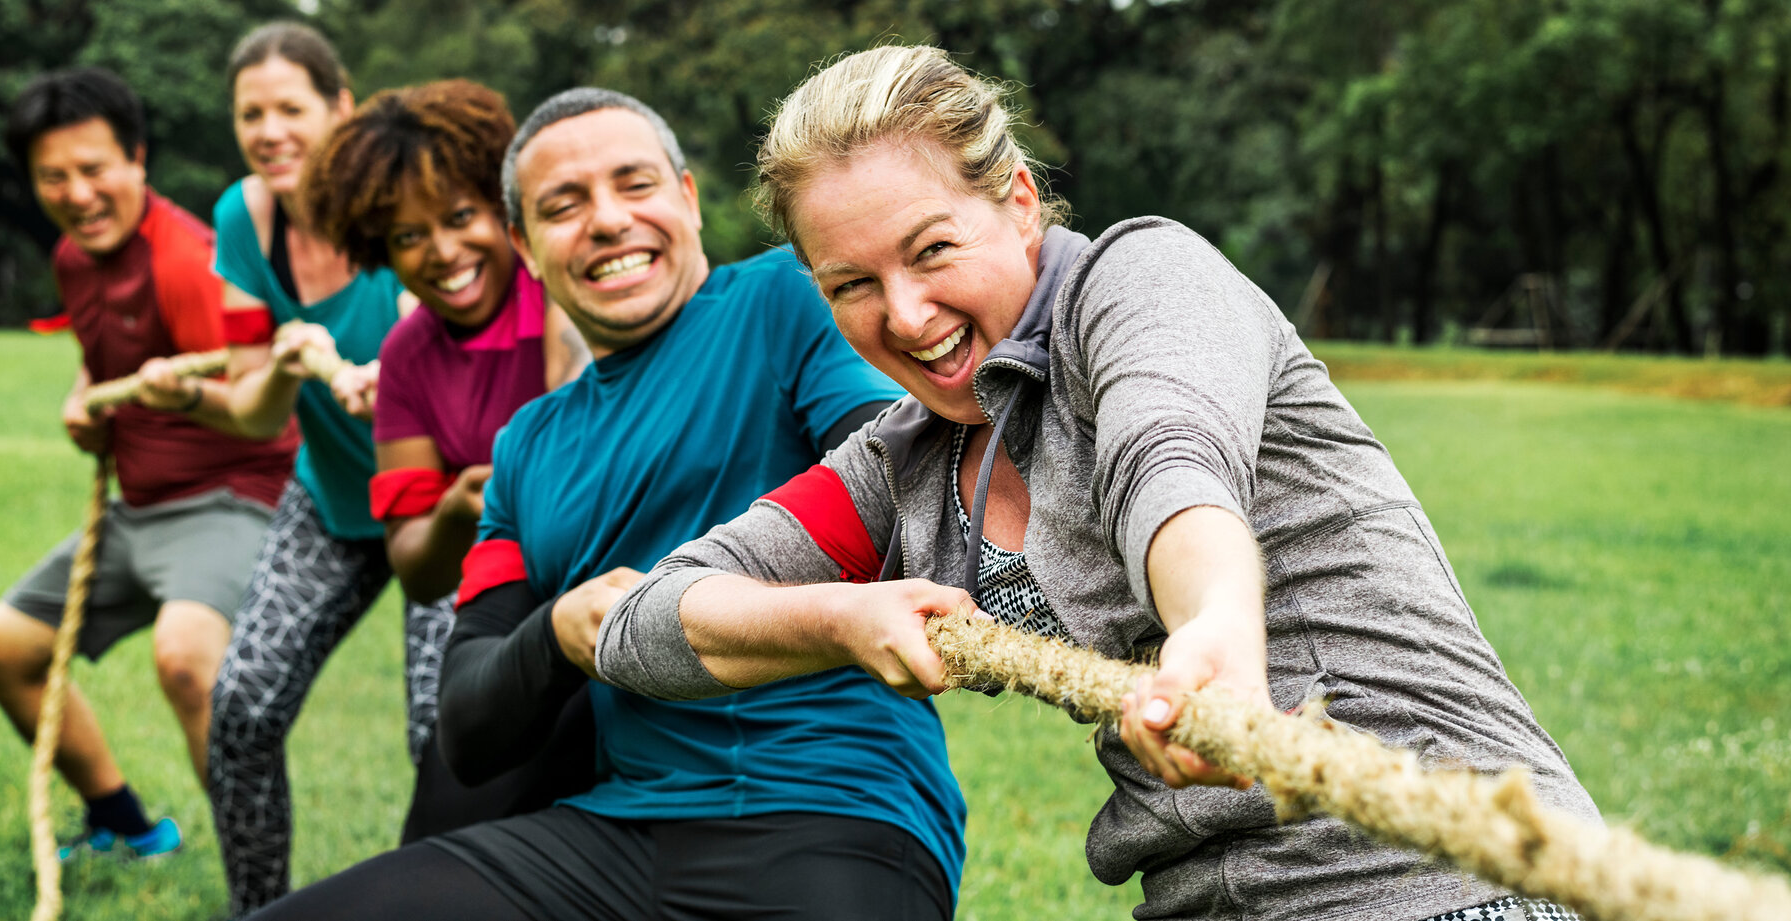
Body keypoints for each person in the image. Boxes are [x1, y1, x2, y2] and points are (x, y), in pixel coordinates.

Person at [599, 45, 1603, 921]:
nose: (903, 315)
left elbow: (1169, 459)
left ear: (1020, 202)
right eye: (850, 286)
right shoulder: (902, 465)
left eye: (932, 250)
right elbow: (645, 625)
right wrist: (843, 621)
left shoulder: (1142, 284)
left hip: (1449, 880)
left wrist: (1212, 623)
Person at [246, 87, 965, 921]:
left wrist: (696, 605)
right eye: (564, 204)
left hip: (834, 810)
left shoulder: (785, 301)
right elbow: (468, 727)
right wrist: (558, 632)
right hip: (614, 838)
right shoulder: (526, 448)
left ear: (688, 199)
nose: (607, 219)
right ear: (525, 244)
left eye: (634, 185)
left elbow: (901, 491)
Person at [0, 67, 298, 862]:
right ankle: (127, 826)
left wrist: (177, 398)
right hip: (137, 507)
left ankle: (262, 892)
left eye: (95, 169)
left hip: (231, 496)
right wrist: (87, 402)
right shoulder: (76, 260)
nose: (78, 193)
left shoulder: (189, 260)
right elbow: (103, 360)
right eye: (55, 176)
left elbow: (261, 406)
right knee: (0, 650)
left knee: (186, 657)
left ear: (137, 160)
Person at [301, 78, 590, 841]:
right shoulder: (406, 358)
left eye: (461, 217)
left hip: (619, 588)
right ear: (378, 248)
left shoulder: (559, 287)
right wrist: (460, 510)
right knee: (446, 829)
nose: (442, 252)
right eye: (407, 235)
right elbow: (416, 568)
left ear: (506, 210)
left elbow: (586, 419)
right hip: (511, 602)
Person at [184, 22, 426, 915]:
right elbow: (251, 407)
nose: (270, 130)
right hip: (331, 500)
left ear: (342, 108)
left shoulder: (402, 201)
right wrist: (271, 371)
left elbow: (446, 334)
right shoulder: (243, 218)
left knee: (443, 732)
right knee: (241, 707)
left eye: (292, 108)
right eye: (252, 113)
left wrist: (396, 371)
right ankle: (261, 910)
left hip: (444, 503)